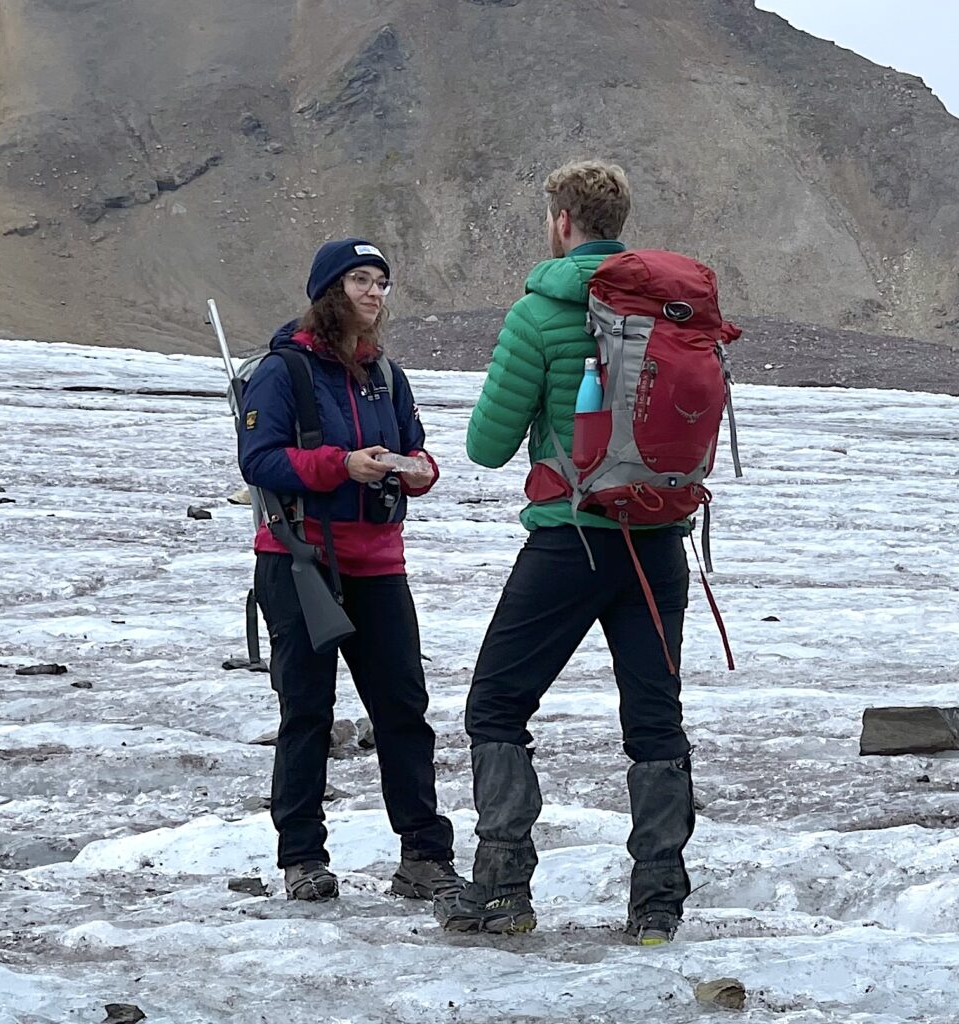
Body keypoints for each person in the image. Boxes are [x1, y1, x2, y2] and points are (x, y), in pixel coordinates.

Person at [437, 161, 699, 945]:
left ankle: (503, 893)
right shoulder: (669, 311)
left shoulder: (539, 312)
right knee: (655, 723)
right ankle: (657, 906)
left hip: (570, 542)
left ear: (560, 221)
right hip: (658, 545)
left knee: (496, 706)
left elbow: (485, 445)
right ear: (620, 221)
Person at [236, 239, 459, 903]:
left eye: (382, 282)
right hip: (300, 559)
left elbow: (417, 449)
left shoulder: (384, 374)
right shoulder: (284, 371)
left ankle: (423, 854)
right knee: (306, 711)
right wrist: (341, 465)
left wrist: (419, 471)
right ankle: (302, 856)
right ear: (328, 291)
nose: (373, 293)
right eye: (360, 279)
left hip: (379, 564)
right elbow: (260, 460)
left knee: (403, 710)